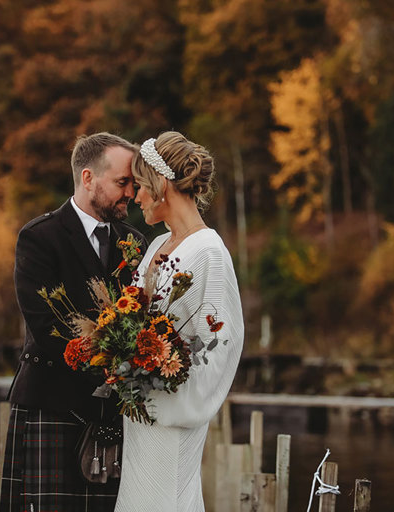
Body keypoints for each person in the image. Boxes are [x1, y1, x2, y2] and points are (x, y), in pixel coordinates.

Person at [0, 132, 148, 512]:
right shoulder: (39, 238)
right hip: (54, 401)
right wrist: (113, 369)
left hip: (111, 411)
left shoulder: (135, 242)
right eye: (122, 182)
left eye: (133, 184)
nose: (130, 192)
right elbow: (47, 326)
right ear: (87, 178)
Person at [114, 132, 244, 511]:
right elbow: (134, 317)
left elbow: (222, 343)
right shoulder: (156, 245)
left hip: (172, 416)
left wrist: (168, 391)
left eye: (140, 186)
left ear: (162, 184)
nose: (135, 197)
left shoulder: (209, 253)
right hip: (139, 414)